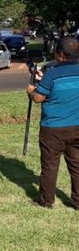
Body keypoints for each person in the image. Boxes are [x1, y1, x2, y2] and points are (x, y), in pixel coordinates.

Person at [26, 37, 79, 209]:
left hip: (53, 129)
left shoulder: (53, 74)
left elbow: (39, 98)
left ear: (61, 55)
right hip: (77, 127)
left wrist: (32, 90)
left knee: (49, 166)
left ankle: (46, 201)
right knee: (76, 165)